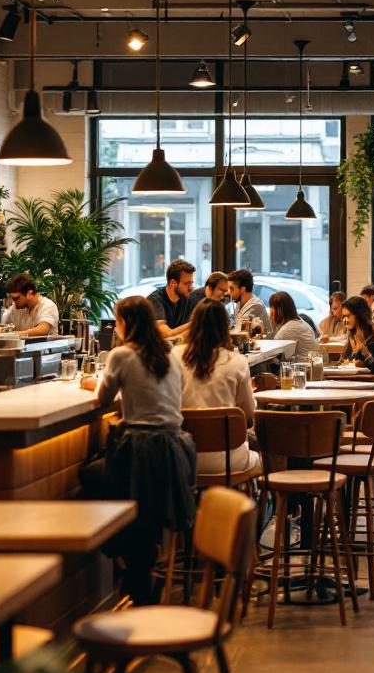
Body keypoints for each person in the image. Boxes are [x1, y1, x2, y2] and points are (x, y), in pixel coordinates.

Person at [80, 295, 195, 604]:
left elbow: (104, 399)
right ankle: (139, 567)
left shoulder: (121, 355)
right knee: (139, 508)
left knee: (91, 477)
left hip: (141, 450)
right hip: (176, 450)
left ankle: (123, 566)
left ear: (125, 323)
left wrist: (93, 382)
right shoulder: (171, 356)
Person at [179, 299, 256, 475]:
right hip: (228, 459)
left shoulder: (174, 357)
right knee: (262, 443)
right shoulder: (237, 362)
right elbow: (249, 411)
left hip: (183, 458)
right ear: (225, 327)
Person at [147, 258, 195, 339]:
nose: (191, 288)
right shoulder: (155, 300)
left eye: (191, 283)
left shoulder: (185, 298)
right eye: (186, 283)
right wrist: (196, 322)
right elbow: (165, 334)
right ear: (173, 283)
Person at [1, 272, 60, 338]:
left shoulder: (48, 306)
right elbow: (3, 328)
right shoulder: (15, 308)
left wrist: (12, 334)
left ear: (30, 293)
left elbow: (42, 330)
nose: (14, 302)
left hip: (45, 347)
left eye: (16, 298)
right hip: (23, 347)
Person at [269, 291, 320, 359]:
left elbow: (273, 355)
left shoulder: (287, 331)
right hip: (311, 365)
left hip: (301, 368)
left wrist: (271, 325)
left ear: (279, 311)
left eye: (271, 312)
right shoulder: (301, 323)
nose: (270, 315)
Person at [339, 295, 374, 363]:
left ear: (359, 315)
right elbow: (344, 360)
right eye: (344, 316)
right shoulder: (351, 335)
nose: (345, 320)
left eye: (348, 316)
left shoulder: (373, 344)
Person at [227, 269, 271, 334]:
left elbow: (237, 330)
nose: (228, 292)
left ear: (242, 289)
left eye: (231, 289)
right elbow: (232, 326)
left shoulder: (256, 305)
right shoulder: (239, 303)